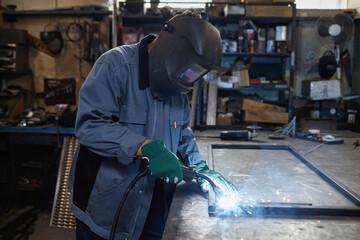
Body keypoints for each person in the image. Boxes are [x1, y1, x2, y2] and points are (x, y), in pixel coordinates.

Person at [68, 10, 237, 240]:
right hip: (106, 208)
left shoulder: (179, 87)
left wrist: (200, 168)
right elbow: (90, 126)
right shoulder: (116, 65)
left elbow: (183, 135)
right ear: (172, 49)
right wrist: (145, 147)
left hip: (155, 205)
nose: (188, 78)